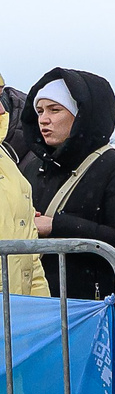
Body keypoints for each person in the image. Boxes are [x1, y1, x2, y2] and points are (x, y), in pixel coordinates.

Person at [20, 69, 115, 300]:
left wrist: (56, 226)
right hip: (37, 307)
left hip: (94, 310)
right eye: (39, 111)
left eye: (55, 110)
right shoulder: (33, 167)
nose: (44, 119)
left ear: (82, 115)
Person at [0, 97, 46, 296]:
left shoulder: (6, 159)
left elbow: (30, 259)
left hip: (16, 314)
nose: (2, 110)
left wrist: (41, 315)